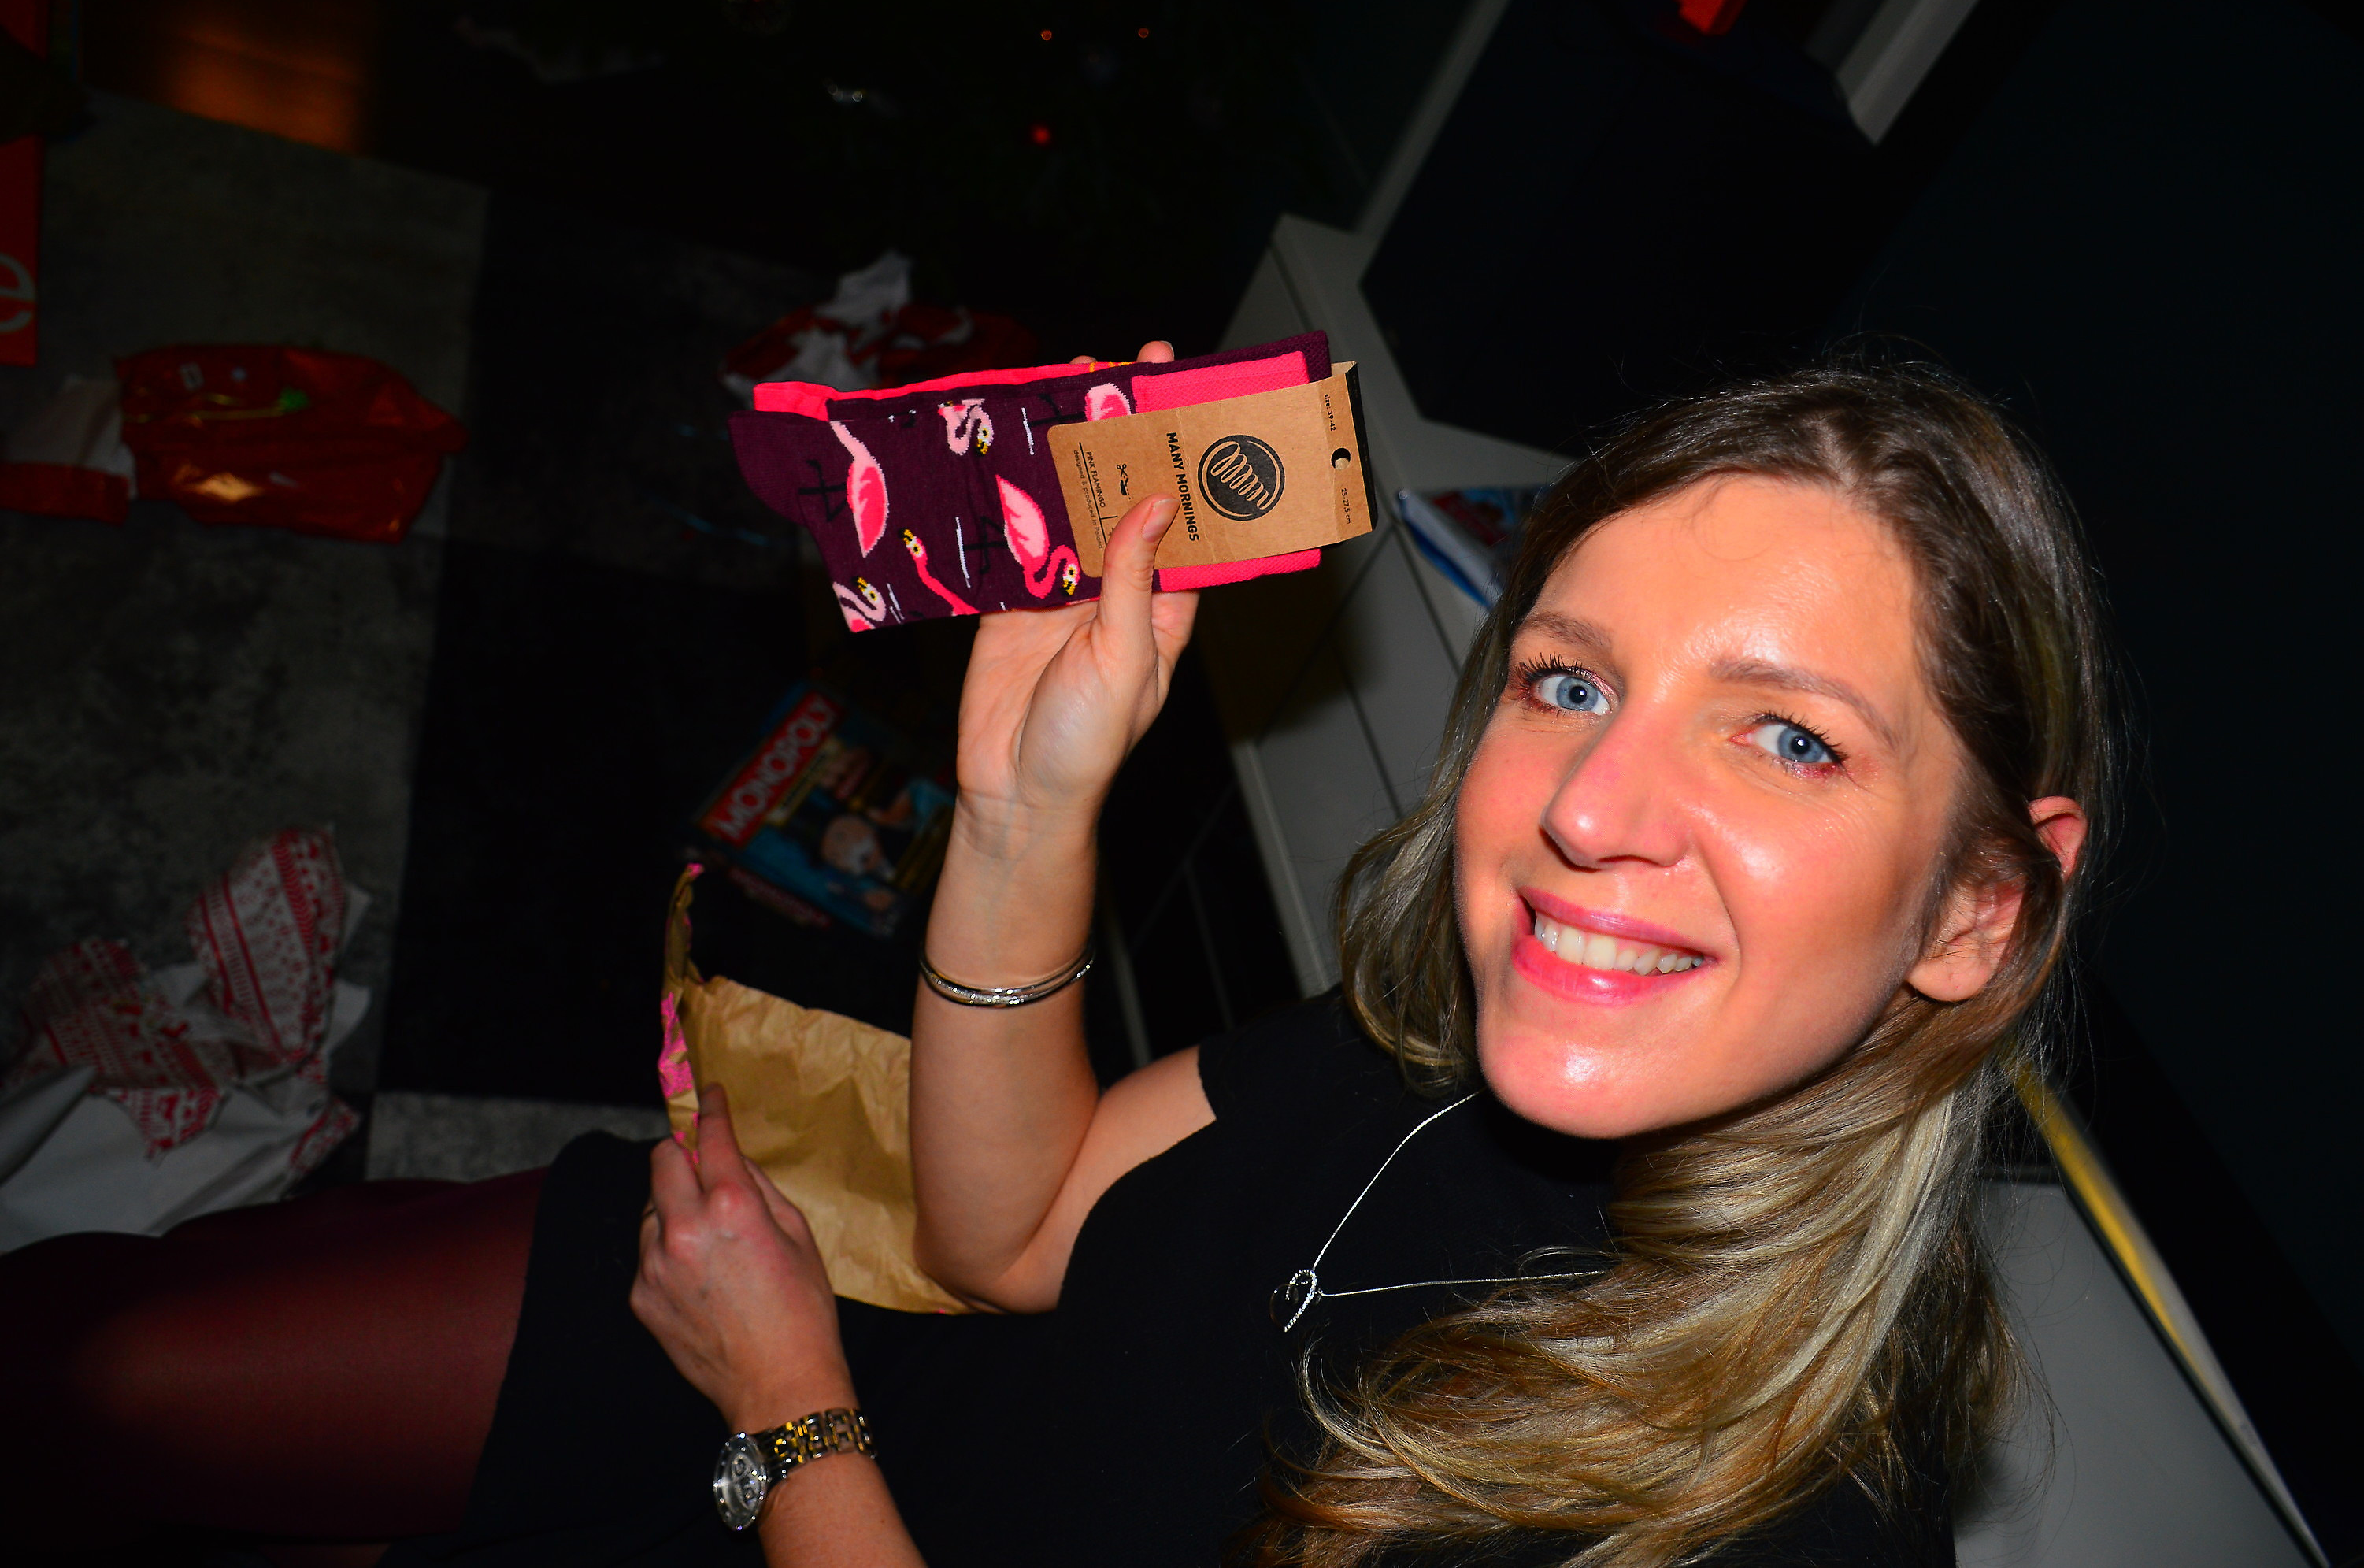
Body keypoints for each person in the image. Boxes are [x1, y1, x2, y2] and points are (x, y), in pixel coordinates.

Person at [0, 354, 2113, 1568]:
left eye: (1787, 736)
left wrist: (785, 1409)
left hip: (815, 1463)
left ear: (1977, 908)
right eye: (1570, 682)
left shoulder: (1769, 1526)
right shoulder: (1493, 1020)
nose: (1590, 809)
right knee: (112, 1352)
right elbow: (1012, 1233)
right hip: (877, 1399)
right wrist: (1027, 810)